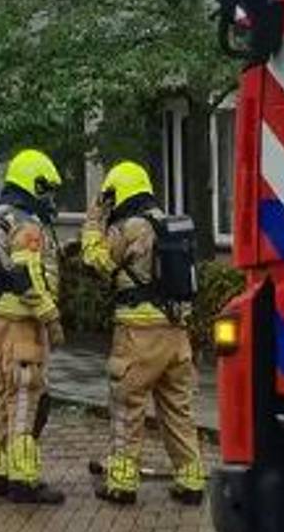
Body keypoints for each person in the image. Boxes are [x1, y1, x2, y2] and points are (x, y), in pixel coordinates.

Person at [80, 160, 205, 506]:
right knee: (178, 409)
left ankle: (121, 482)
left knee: (127, 406)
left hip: (138, 335)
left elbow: (96, 262)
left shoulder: (128, 227)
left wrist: (93, 221)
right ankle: (191, 479)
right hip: (176, 334)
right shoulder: (170, 224)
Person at [0, 149, 67, 505]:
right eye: (45, 189)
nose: (49, 199)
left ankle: (2, 472)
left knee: (3, 396)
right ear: (32, 184)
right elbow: (28, 278)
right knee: (25, 399)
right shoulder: (26, 223)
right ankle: (24, 480)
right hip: (21, 323)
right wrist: (51, 317)